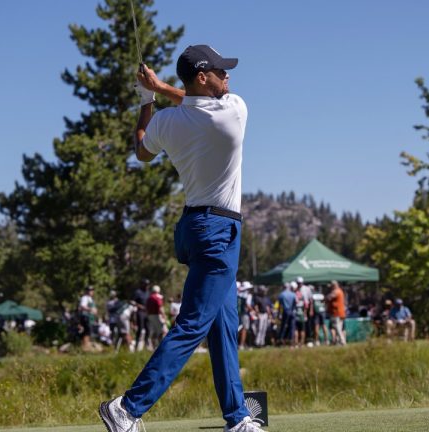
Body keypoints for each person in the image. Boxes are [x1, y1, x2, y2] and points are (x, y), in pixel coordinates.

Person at [98, 45, 264, 432]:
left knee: (223, 324)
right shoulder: (234, 110)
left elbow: (142, 151)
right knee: (192, 324)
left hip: (193, 227)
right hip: (219, 231)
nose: (228, 76)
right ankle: (127, 408)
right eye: (221, 71)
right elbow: (193, 102)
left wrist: (147, 99)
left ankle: (238, 418)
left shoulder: (166, 122)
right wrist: (159, 88)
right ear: (203, 77)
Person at [132, 279, 151, 352]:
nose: (147, 286)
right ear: (142, 284)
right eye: (145, 284)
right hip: (140, 312)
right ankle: (136, 346)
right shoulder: (138, 292)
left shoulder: (148, 292)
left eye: (148, 285)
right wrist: (139, 306)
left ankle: (146, 344)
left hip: (147, 312)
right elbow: (132, 302)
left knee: (148, 329)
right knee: (140, 329)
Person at [326, 281, 347, 345]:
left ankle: (342, 341)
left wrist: (326, 297)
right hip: (338, 312)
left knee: (337, 327)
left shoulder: (337, 291)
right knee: (338, 327)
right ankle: (338, 341)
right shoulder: (339, 291)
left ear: (334, 285)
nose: (330, 288)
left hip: (337, 313)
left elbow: (329, 298)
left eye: (331, 286)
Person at [145, 285, 166, 350]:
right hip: (157, 315)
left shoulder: (149, 298)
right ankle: (161, 347)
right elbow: (160, 307)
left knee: (154, 331)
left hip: (150, 316)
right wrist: (164, 316)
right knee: (162, 331)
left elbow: (147, 308)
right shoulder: (158, 297)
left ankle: (154, 347)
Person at [78, 286, 98, 351]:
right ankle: (85, 347)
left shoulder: (90, 299)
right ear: (86, 291)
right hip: (85, 316)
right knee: (86, 332)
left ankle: (86, 346)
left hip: (90, 317)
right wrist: (91, 309)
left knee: (88, 332)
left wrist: (94, 312)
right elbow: (82, 306)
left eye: (92, 290)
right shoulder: (85, 298)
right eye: (89, 290)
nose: (91, 291)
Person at [277, 282, 296, 347]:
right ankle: (291, 340)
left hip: (285, 311)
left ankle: (281, 340)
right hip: (292, 311)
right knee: (292, 326)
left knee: (283, 326)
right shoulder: (293, 294)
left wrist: (279, 314)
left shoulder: (282, 294)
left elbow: (280, 306)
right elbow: (295, 303)